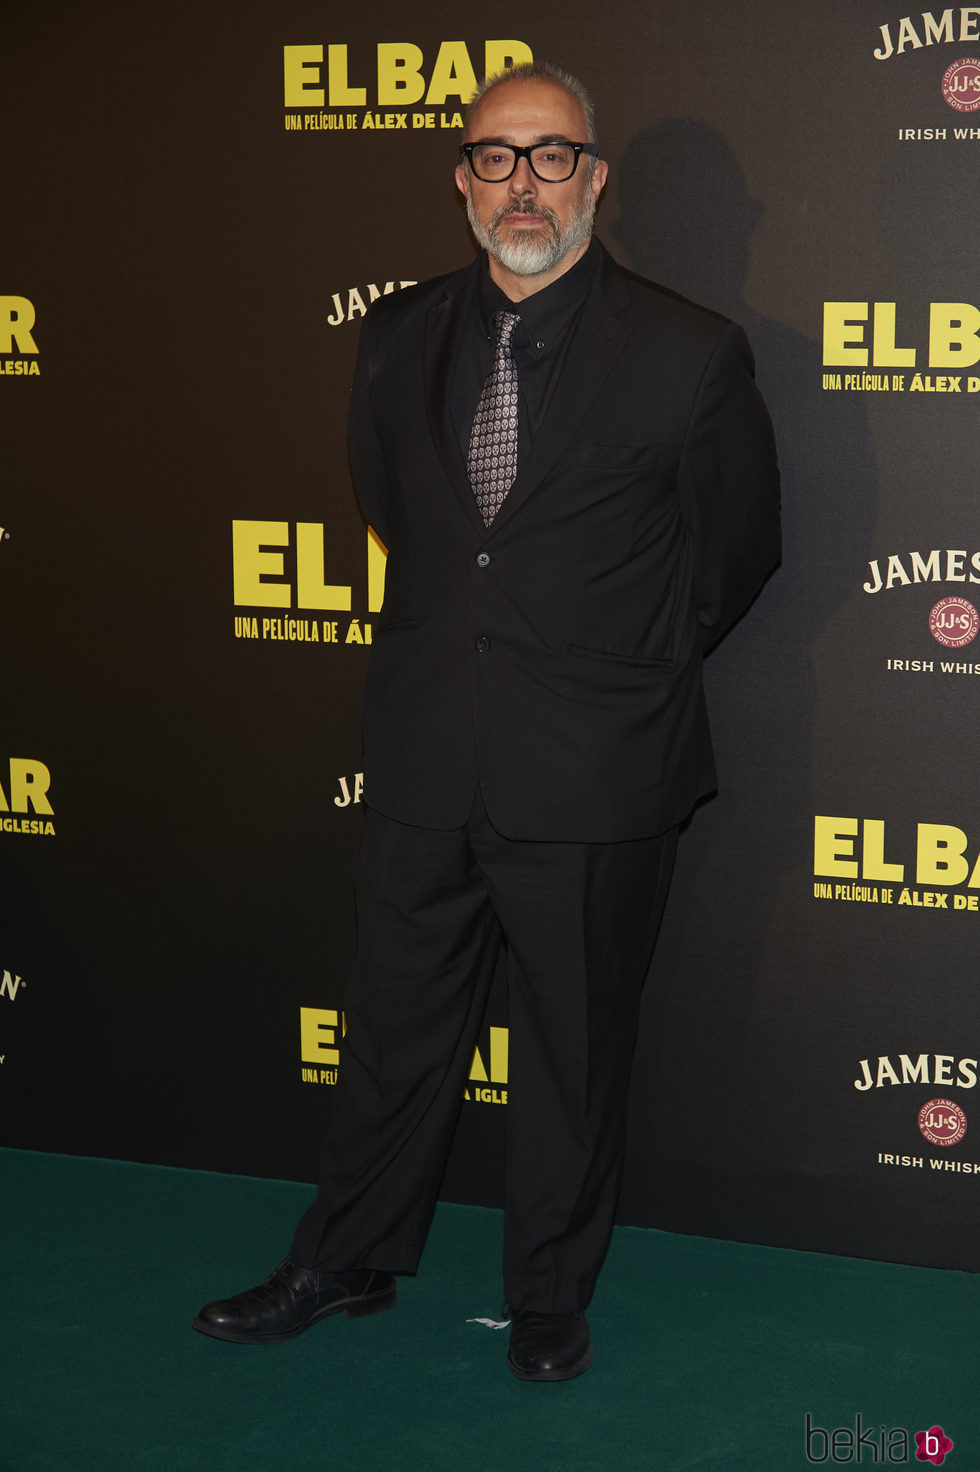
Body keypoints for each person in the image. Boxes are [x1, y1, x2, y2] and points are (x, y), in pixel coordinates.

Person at [194, 60, 780, 1382]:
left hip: (597, 773)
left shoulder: (688, 351)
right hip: (424, 756)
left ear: (596, 177)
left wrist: (617, 672)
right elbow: (413, 527)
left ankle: (550, 1296)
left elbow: (736, 554)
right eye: (497, 156)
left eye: (553, 156)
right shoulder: (395, 335)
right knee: (392, 1033)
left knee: (573, 1053)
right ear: (462, 177)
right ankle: (344, 1258)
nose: (525, 184)